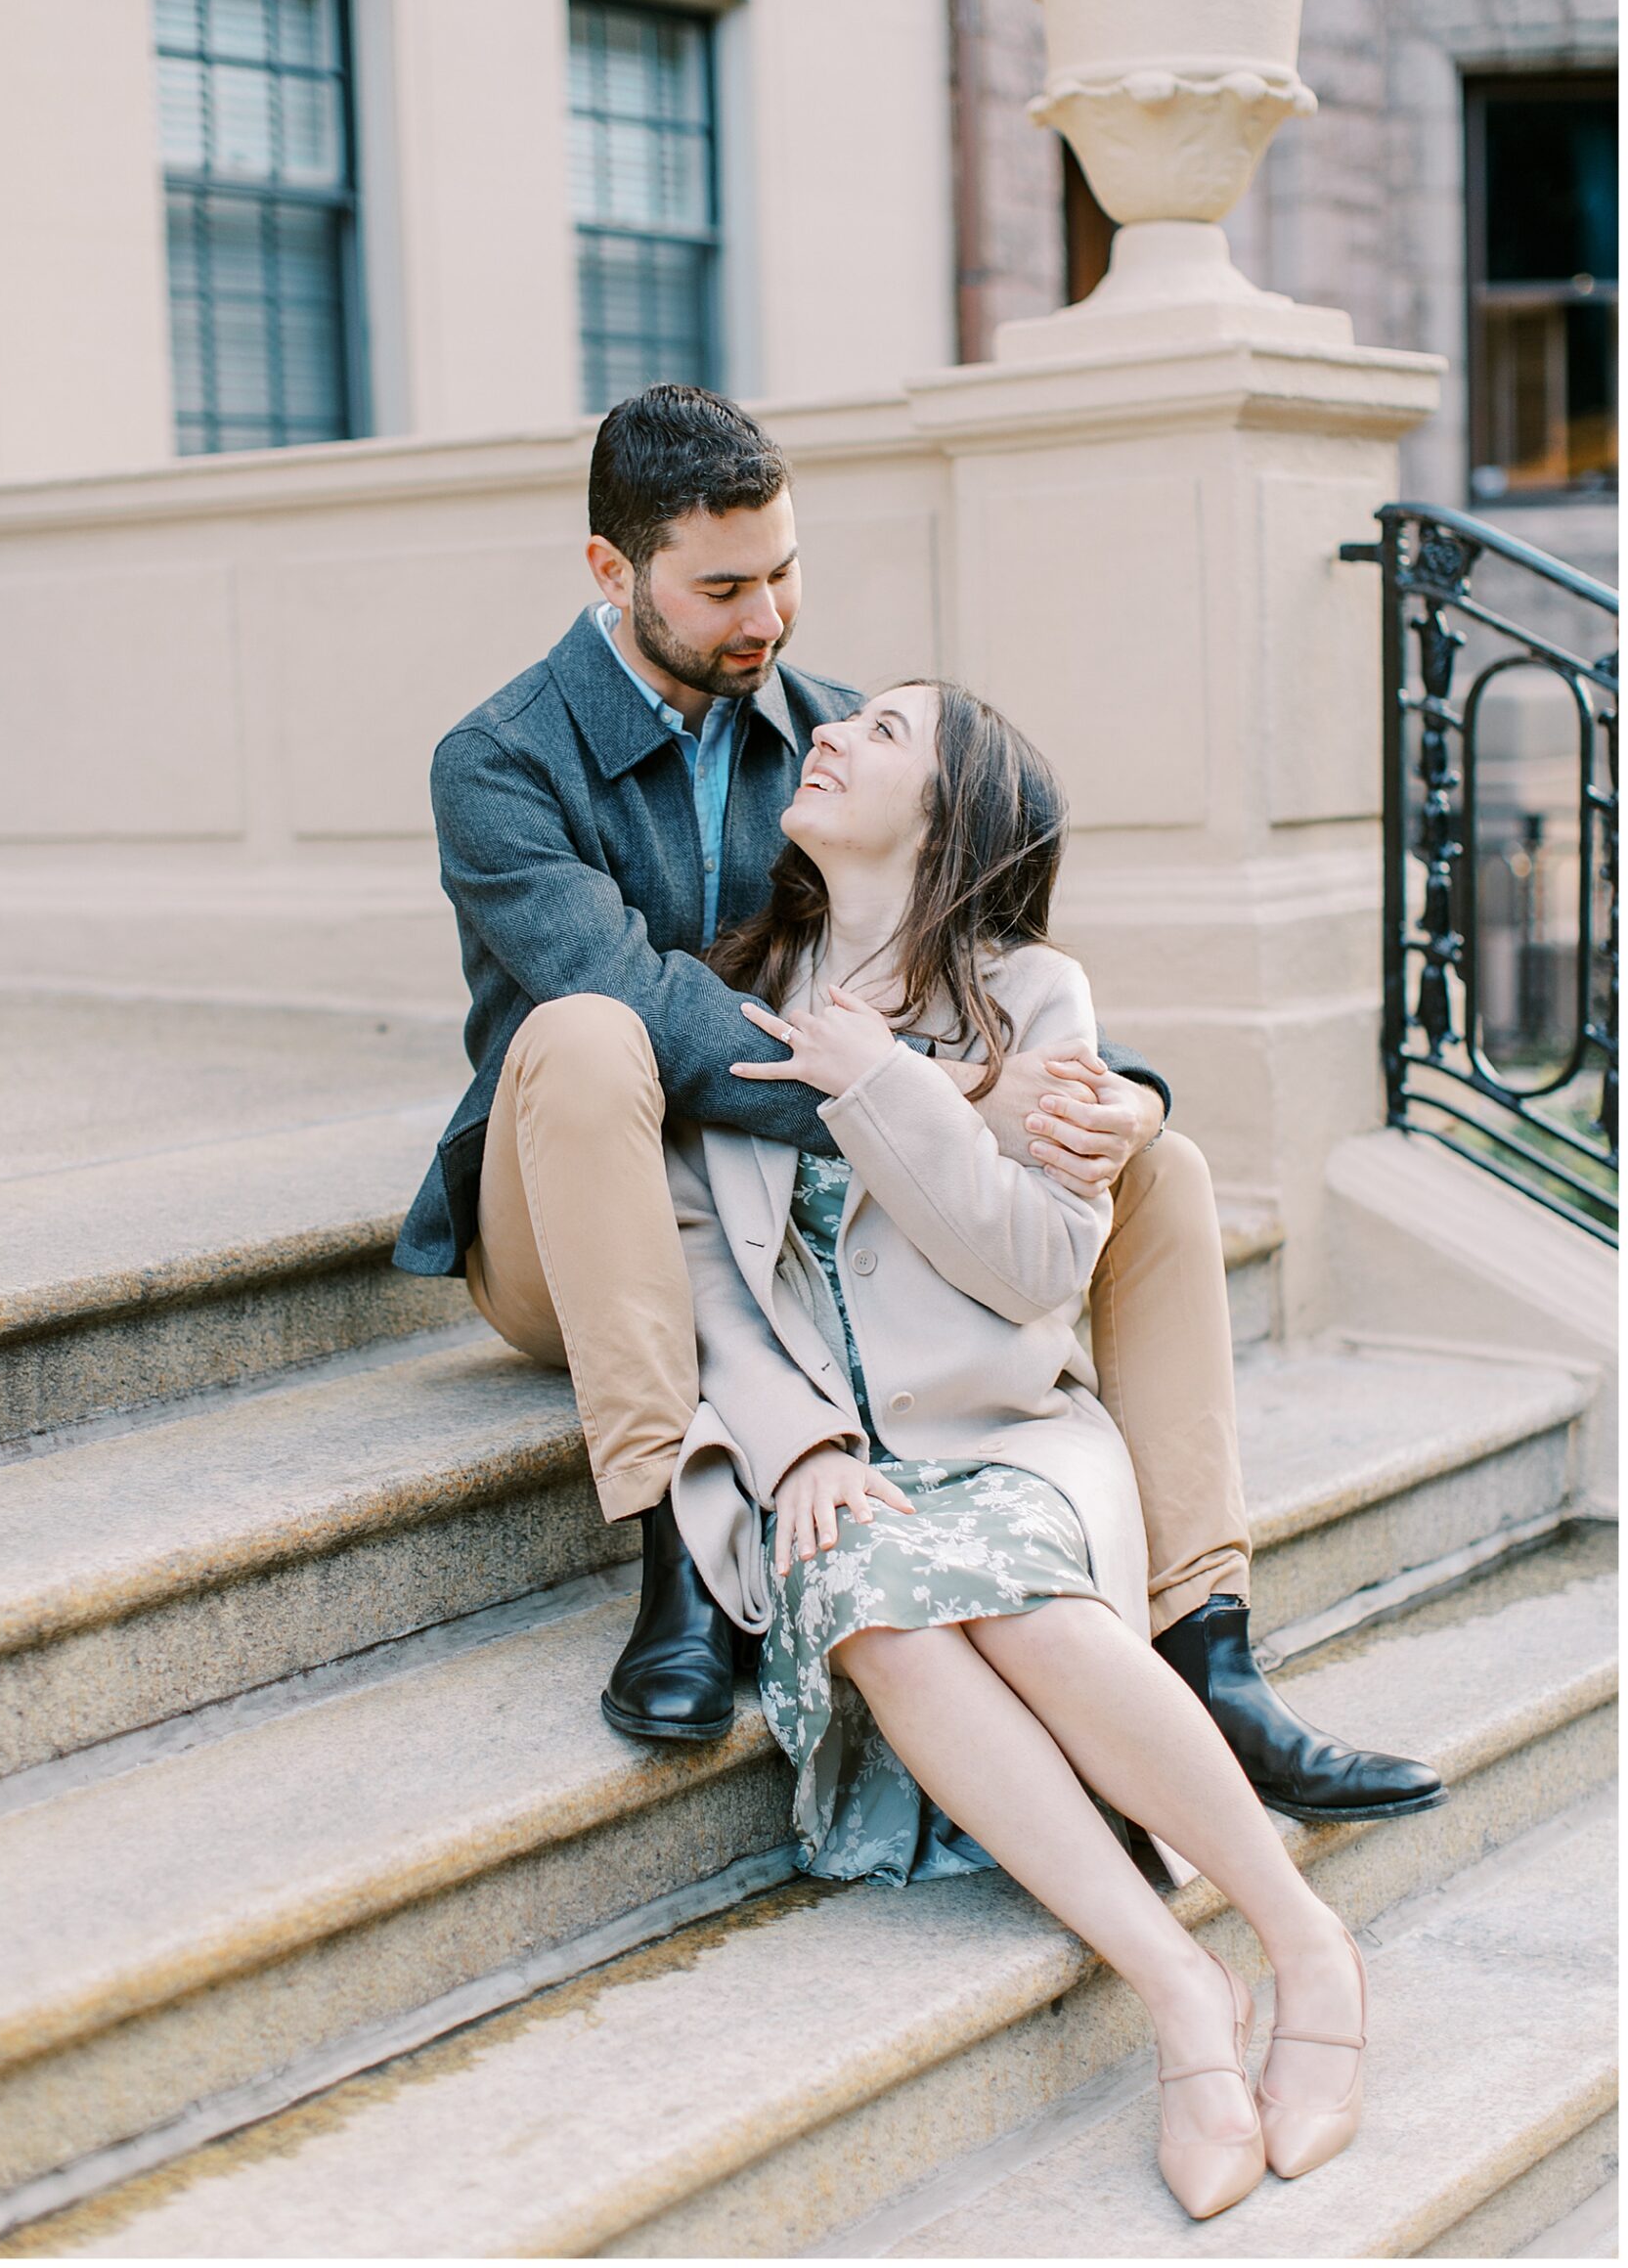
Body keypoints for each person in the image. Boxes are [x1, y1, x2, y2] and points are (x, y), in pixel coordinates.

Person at [392, 382, 1440, 1831]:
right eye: (720, 589)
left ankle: (1204, 1642)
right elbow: (650, 1008)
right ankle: (681, 1554)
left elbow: (975, 949)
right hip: (574, 1219)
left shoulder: (830, 734)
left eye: (784, 571)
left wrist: (1113, 1099)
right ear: (609, 572)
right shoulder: (500, 760)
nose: (766, 618)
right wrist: (925, 1098)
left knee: (1168, 1171)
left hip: (793, 1221)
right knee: (584, 1035)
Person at [667, 680, 1380, 2219]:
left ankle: (1306, 1944)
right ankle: (1184, 1993)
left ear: (948, 813)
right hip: (821, 1459)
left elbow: (1038, 1269)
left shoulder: (1032, 995)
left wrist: (889, 1088)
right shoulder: (728, 995)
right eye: (842, 718)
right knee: (868, 1595)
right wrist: (794, 1451)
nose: (837, 732)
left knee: (1003, 1589)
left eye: (886, 733)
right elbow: (703, 1267)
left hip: (998, 1437)